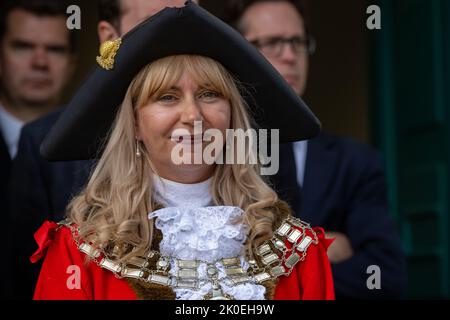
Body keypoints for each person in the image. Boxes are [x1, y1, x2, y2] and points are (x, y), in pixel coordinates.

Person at [31, 1, 334, 300]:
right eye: (167, 97)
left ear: (232, 117)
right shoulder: (79, 252)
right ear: (135, 124)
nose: (193, 115)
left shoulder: (297, 251)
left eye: (209, 94)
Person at [6, 0, 193, 299]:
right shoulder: (49, 142)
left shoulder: (228, 135)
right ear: (109, 38)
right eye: (156, 25)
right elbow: (23, 275)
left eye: (189, 24)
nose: (176, 40)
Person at [223, 0, 406, 299]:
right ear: (236, 53)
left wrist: (268, 276)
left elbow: (386, 274)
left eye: (298, 42)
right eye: (272, 43)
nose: (290, 55)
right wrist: (318, 252)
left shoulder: (355, 161)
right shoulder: (209, 153)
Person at [0, 0, 76, 298]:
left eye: (55, 50)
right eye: (23, 46)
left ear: (72, 62)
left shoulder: (90, 152)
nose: (40, 62)